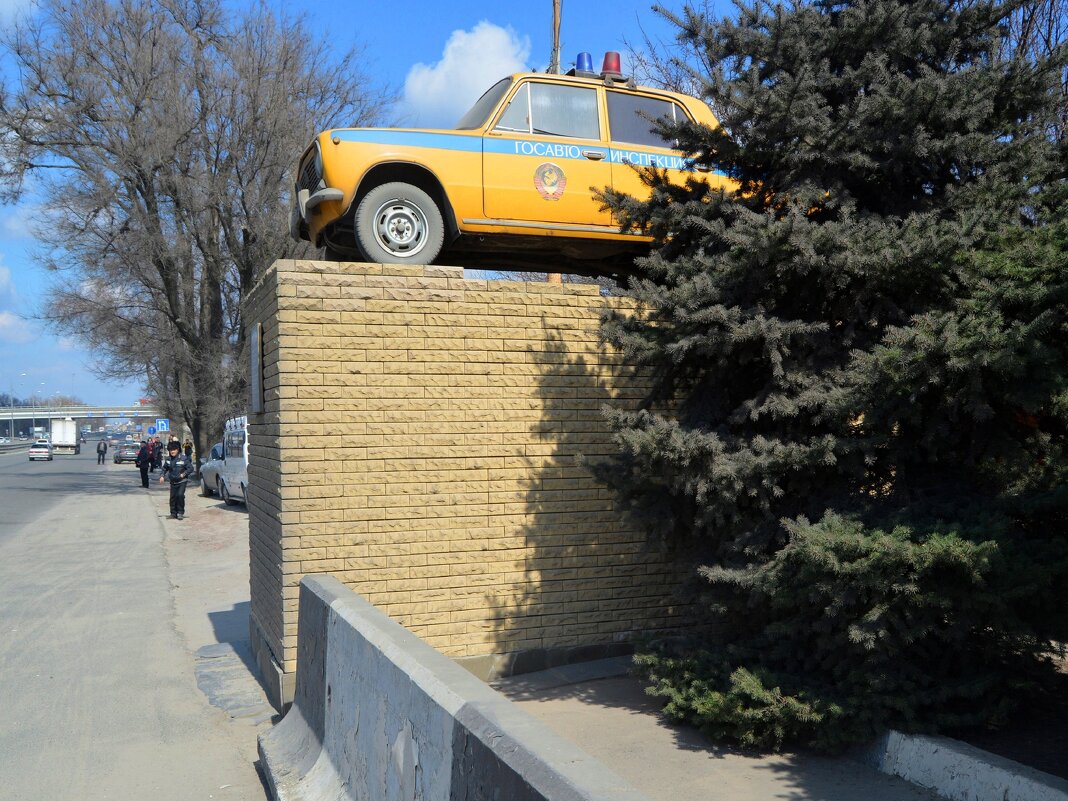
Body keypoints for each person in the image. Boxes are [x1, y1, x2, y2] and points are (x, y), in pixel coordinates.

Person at [160, 440, 193, 519]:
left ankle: (180, 512)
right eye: (171, 450)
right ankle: (173, 513)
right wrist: (162, 476)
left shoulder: (183, 458)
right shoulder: (168, 459)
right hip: (173, 481)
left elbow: (190, 468)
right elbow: (164, 468)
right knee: (173, 497)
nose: (172, 451)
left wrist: (183, 474)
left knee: (180, 495)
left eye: (174, 450)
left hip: (182, 481)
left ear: (177, 450)